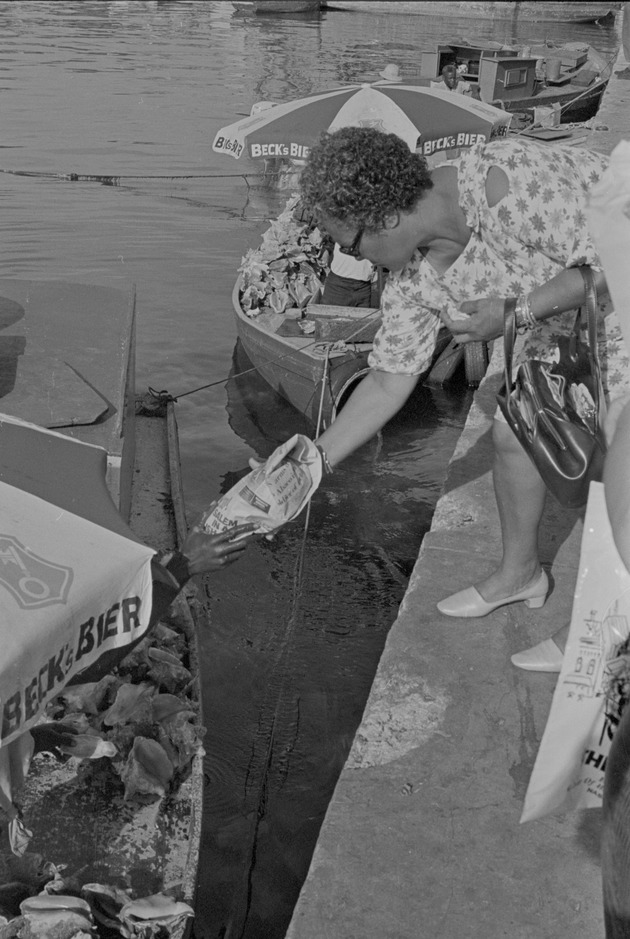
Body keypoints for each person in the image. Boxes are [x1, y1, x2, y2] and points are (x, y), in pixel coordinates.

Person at [297, 126, 628, 644]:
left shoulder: (504, 182)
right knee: (514, 433)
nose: (357, 261)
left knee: (622, 455)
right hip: (567, 320)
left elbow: (615, 250)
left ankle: (608, 632)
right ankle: (521, 576)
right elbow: (388, 380)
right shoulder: (413, 278)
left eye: (352, 246)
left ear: (384, 218)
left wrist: (516, 311)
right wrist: (309, 464)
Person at [321, 242, 375, 308]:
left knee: (363, 317)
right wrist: (327, 249)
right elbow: (329, 236)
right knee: (327, 316)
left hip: (363, 287)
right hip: (337, 286)